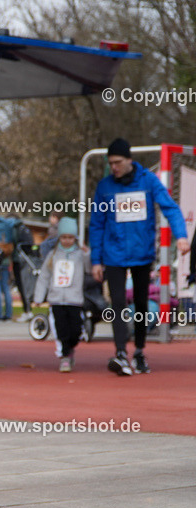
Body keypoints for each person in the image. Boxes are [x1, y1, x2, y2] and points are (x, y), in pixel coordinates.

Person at [90, 138, 189, 375]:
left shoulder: (148, 181)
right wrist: (96, 259)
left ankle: (139, 352)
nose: (114, 167)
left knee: (142, 304)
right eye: (111, 163)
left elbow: (170, 207)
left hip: (142, 253)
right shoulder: (105, 187)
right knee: (118, 303)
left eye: (118, 162)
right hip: (113, 255)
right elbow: (96, 224)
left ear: (129, 160)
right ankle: (121, 353)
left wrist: (182, 236)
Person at [32, 218, 90, 372]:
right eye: (64, 238)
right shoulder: (53, 255)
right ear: (59, 238)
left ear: (75, 238)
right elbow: (44, 276)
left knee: (75, 330)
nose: (67, 241)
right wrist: (38, 297)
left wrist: (88, 254)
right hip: (57, 299)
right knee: (61, 329)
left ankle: (70, 348)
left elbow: (90, 269)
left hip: (74, 299)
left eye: (70, 238)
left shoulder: (80, 255)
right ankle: (65, 356)